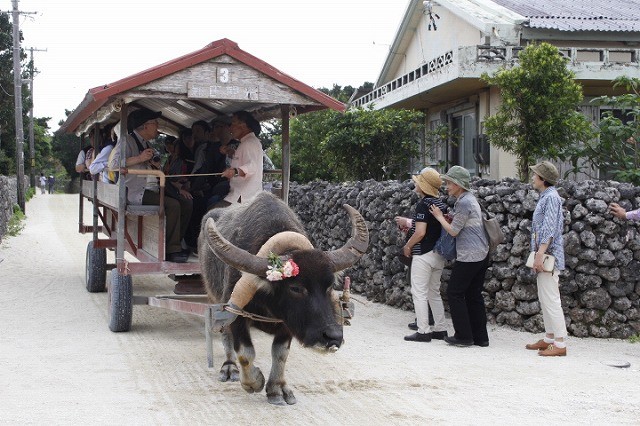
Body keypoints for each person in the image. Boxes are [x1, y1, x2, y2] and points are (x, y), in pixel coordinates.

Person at [109, 108, 193, 263]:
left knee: (186, 202)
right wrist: (139, 158)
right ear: (145, 126)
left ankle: (175, 243)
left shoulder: (146, 143)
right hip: (138, 190)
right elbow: (114, 165)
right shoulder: (126, 140)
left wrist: (154, 164)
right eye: (155, 123)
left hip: (156, 187)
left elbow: (152, 168)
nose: (158, 127)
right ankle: (170, 250)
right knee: (173, 205)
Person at [430, 166, 490, 348]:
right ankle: (481, 337)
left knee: (454, 293)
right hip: (481, 253)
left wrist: (439, 217)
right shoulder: (470, 200)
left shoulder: (464, 202)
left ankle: (463, 336)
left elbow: (454, 231)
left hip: (469, 255)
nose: (446, 186)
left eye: (448, 183)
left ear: (457, 184)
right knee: (474, 294)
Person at [396, 167, 449, 342]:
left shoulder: (423, 205)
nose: (415, 185)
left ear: (424, 186)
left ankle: (423, 330)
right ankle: (440, 329)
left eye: (418, 183)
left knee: (418, 292)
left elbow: (420, 232)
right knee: (434, 291)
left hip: (423, 253)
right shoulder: (440, 204)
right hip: (438, 253)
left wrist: (407, 246)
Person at [525, 161, 567, 357]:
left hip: (548, 255)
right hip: (545, 253)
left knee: (551, 298)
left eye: (535, 175)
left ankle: (560, 342)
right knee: (545, 297)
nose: (533, 177)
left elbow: (549, 228)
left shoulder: (551, 198)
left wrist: (540, 254)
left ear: (543, 179)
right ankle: (550, 338)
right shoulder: (547, 196)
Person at [216, 111, 264, 207]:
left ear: (243, 125)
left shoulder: (249, 143)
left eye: (233, 123)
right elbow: (243, 159)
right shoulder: (246, 142)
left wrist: (234, 171)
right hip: (240, 195)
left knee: (213, 215)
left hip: (243, 197)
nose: (230, 128)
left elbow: (252, 166)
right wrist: (230, 152)